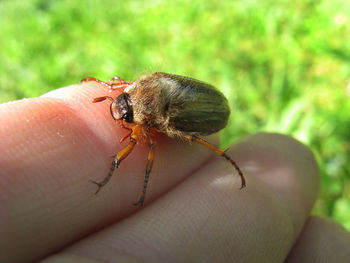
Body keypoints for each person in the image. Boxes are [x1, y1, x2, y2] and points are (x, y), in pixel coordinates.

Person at [0, 82, 349, 263]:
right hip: (171, 92)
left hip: (203, 110)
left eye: (128, 113)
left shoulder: (155, 126)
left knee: (174, 142)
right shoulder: (138, 87)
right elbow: (126, 92)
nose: (120, 109)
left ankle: (219, 158)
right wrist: (116, 89)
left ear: (147, 121)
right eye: (119, 94)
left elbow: (149, 147)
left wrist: (124, 169)